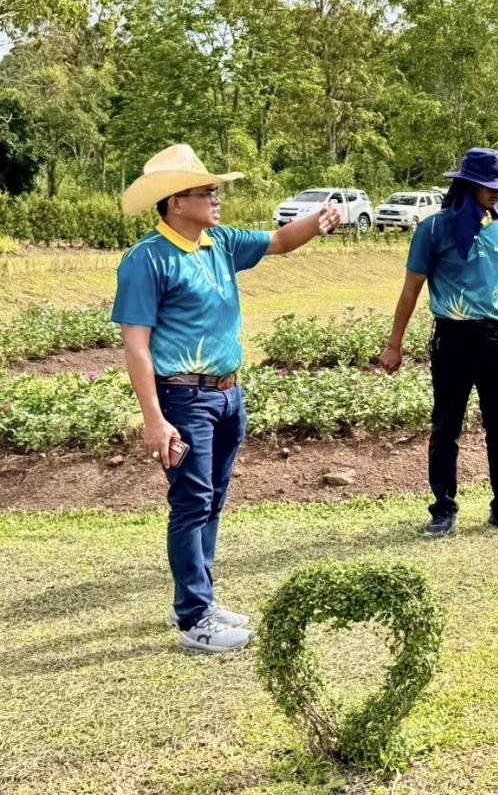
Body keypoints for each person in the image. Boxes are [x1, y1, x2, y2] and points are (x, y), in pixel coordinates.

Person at [112, 144, 340, 653]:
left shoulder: (221, 243)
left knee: (212, 500)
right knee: (191, 503)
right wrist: (155, 420)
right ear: (175, 202)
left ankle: (200, 598)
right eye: (206, 192)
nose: (216, 199)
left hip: (228, 394)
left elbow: (280, 240)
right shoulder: (147, 260)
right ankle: (194, 618)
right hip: (183, 397)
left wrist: (318, 221)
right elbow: (136, 345)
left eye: (215, 191)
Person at [378, 147, 498, 538]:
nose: (496, 192)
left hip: (495, 339)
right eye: (488, 185)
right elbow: (410, 291)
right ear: (467, 185)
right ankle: (443, 510)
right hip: (453, 340)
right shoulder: (433, 229)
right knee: (446, 428)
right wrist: (394, 344)